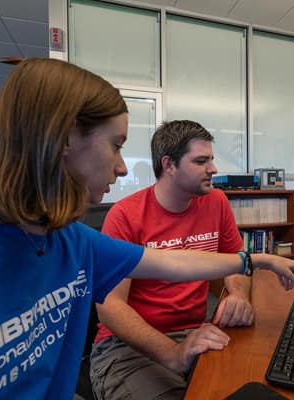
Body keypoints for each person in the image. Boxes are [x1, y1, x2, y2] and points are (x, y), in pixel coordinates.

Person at [0, 58, 294, 400]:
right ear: (63, 138)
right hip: (134, 353)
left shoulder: (69, 241)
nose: (123, 166)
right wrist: (171, 352)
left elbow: (171, 263)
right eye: (116, 145)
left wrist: (254, 260)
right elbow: (121, 299)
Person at [89, 120, 254, 400]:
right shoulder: (125, 215)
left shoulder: (216, 202)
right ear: (168, 165)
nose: (213, 169)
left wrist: (239, 294)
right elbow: (110, 307)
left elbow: (236, 263)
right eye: (201, 161)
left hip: (196, 333)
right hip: (127, 347)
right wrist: (174, 353)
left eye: (211, 160)